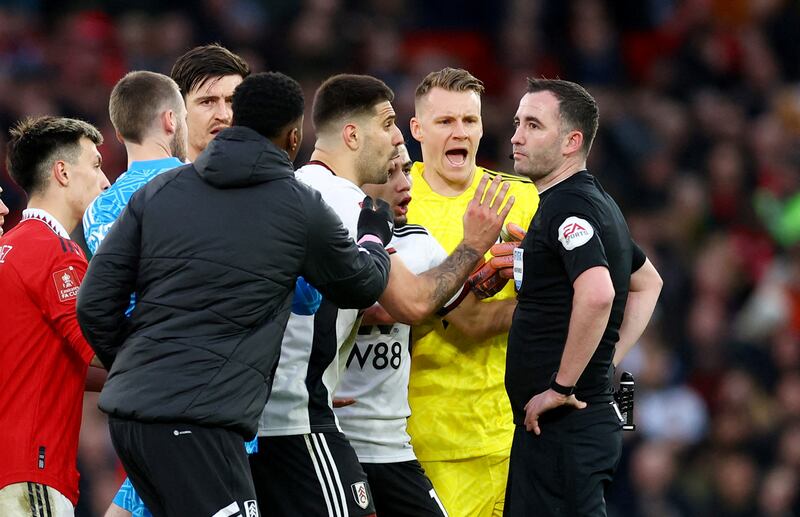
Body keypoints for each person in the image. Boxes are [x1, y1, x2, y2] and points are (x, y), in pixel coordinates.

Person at [76, 71, 393, 517]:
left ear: (234, 120)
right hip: (201, 424)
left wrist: (135, 364)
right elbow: (362, 284)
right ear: (294, 136)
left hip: (132, 421)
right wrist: (374, 236)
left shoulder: (159, 192)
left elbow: (93, 304)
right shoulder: (298, 205)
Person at [251, 74, 513, 517]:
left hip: (276, 416)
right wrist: (473, 245)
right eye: (389, 124)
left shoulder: (292, 188)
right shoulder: (341, 203)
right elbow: (409, 303)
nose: (397, 138)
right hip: (298, 420)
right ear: (352, 135)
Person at [503, 78, 663, 516]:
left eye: (533, 125)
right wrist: (605, 359)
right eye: (518, 122)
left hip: (564, 427)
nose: (516, 135)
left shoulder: (567, 207)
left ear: (572, 141)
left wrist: (560, 387)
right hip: (570, 427)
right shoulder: (598, 203)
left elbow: (597, 294)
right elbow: (649, 283)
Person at [334, 142, 518, 517]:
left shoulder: (417, 242)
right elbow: (390, 308)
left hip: (389, 445)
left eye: (407, 170)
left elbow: (475, 320)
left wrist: (552, 301)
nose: (407, 184)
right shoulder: (325, 230)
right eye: (392, 173)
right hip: (331, 436)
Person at [405, 67, 540, 516]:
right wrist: (544, 304)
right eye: (445, 122)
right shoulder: (395, 200)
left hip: (513, 434)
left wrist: (539, 273)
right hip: (431, 438)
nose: (459, 132)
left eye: (469, 121)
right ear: (418, 129)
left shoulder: (523, 198)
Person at [0, 116, 110, 516]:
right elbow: (100, 347)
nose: (106, 180)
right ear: (62, 172)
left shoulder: (11, 247)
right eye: (96, 165)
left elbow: (55, 361)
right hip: (31, 471)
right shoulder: (55, 253)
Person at [170, 43, 250, 162]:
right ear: (178, 111)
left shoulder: (272, 177)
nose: (223, 116)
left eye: (232, 100)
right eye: (207, 102)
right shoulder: (157, 180)